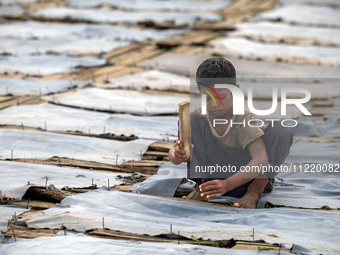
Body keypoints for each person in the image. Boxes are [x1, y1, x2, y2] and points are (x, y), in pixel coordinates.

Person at [168, 57, 293, 209]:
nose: (214, 105)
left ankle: (254, 192)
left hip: (247, 180)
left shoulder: (243, 118)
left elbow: (261, 160)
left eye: (221, 97)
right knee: (190, 119)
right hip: (213, 182)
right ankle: (201, 189)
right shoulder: (201, 117)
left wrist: (227, 184)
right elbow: (175, 151)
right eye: (207, 98)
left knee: (282, 129)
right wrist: (176, 154)